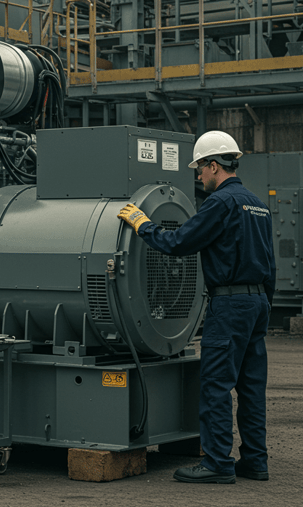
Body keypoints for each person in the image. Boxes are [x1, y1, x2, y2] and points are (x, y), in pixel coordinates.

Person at [118, 130, 275, 484]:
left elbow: (179, 242)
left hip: (230, 304)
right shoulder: (257, 204)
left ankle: (218, 463)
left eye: (201, 169)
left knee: (216, 384)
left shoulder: (220, 204)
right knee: (251, 388)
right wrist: (263, 303)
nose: (199, 176)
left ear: (215, 165)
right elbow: (270, 263)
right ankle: (255, 462)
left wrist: (142, 224)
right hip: (258, 303)